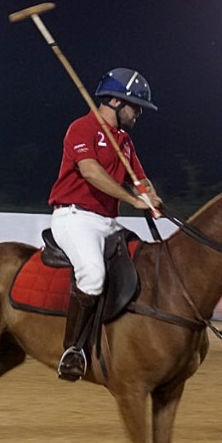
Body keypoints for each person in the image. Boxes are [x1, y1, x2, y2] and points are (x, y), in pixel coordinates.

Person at [48, 68, 162, 381]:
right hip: (74, 217)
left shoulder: (125, 142)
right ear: (114, 101)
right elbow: (92, 173)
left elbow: (140, 179)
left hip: (107, 222)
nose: (137, 113)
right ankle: (73, 350)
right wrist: (134, 200)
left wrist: (150, 195)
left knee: (143, 260)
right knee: (94, 275)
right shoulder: (81, 128)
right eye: (134, 105)